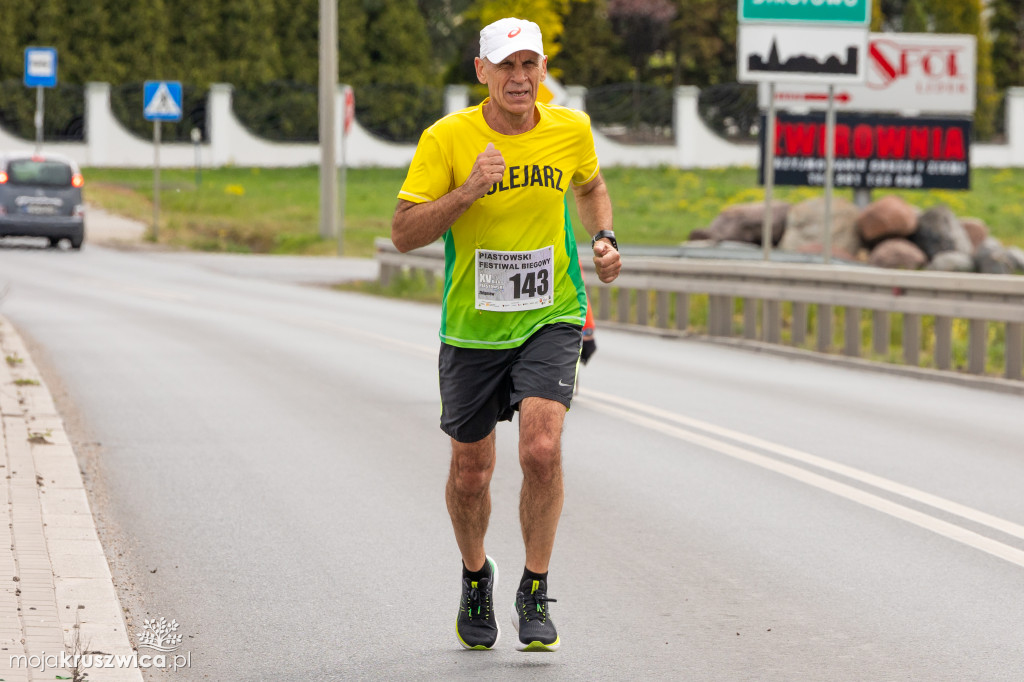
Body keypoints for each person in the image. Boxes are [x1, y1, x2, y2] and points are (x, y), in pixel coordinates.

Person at [391, 16, 621, 652]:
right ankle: (475, 576)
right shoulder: (448, 137)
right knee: (471, 472)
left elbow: (592, 185)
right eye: (506, 66)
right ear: (482, 72)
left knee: (541, 449)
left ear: (543, 70)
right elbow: (404, 232)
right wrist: (468, 190)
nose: (519, 79)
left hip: (552, 315)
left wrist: (603, 236)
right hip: (472, 326)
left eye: (530, 66)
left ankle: (536, 587)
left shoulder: (570, 129)